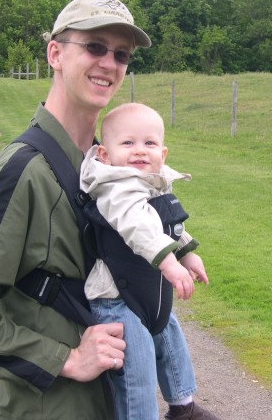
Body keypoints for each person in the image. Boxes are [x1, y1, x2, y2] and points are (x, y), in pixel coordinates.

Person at [0, 0, 151, 419]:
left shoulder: (110, 169)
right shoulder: (23, 171)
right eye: (95, 46)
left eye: (121, 54)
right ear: (55, 54)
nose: (109, 63)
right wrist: (66, 359)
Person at [80, 102, 219, 420]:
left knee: (170, 337)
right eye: (128, 143)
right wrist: (169, 263)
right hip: (116, 298)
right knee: (137, 370)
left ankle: (184, 406)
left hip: (146, 293)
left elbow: (168, 224)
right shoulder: (117, 188)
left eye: (149, 143)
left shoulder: (154, 184)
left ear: (163, 153)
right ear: (105, 154)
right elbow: (139, 227)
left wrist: (187, 253)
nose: (140, 151)